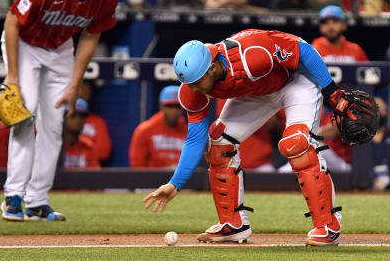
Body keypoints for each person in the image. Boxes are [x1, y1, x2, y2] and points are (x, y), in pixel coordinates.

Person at [142, 29, 367, 246]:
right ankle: (233, 223)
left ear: (211, 68)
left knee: (296, 144)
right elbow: (194, 139)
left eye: (197, 82)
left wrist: (332, 92)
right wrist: (175, 184)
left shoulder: (252, 56)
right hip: (257, 92)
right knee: (219, 143)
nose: (193, 88)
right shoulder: (193, 89)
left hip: (296, 82)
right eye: (188, 83)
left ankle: (328, 226)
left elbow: (302, 51)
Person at [0, 0, 118, 222]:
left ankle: (37, 201)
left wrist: (75, 84)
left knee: (54, 124)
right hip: (25, 44)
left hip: (60, 48)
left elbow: (91, 36)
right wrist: (13, 75)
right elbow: (12, 21)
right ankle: (13, 196)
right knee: (24, 114)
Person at [311, 6, 369, 173]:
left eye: (335, 22)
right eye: (326, 22)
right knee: (317, 143)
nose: (330, 26)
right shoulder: (315, 49)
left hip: (350, 107)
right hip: (323, 105)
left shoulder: (354, 50)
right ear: (320, 27)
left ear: (344, 25)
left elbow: (368, 80)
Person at [129, 86, 187, 168]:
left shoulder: (190, 133)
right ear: (161, 106)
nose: (174, 111)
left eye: (177, 106)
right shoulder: (144, 130)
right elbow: (136, 167)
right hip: (152, 180)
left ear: (183, 108)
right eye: (169, 106)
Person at [78, 81, 112, 163]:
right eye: (82, 86)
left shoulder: (97, 121)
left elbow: (104, 152)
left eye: (89, 88)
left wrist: (85, 151)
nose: (87, 90)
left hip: (90, 168)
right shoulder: (62, 119)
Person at [63, 98, 100, 169]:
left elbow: (95, 175)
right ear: (63, 118)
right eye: (73, 116)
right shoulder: (55, 145)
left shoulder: (89, 146)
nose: (79, 120)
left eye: (82, 116)